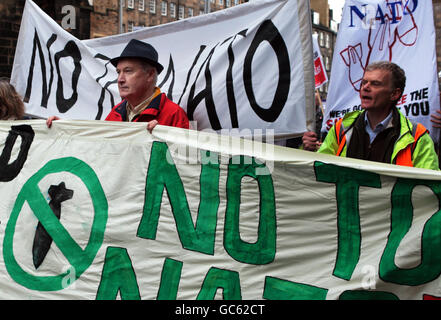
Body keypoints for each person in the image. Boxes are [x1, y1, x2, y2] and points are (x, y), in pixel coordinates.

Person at [307, 61, 439, 170]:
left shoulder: (417, 137)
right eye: (364, 82)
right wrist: (308, 151)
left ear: (395, 94)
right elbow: (320, 171)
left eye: (375, 84)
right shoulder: (341, 128)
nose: (365, 87)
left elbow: (429, 188)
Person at [47, 39, 189, 132]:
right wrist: (64, 129)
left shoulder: (174, 114)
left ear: (150, 75)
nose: (120, 79)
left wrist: (164, 140)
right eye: (118, 72)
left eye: (128, 71)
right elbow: (96, 145)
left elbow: (188, 162)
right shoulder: (116, 112)